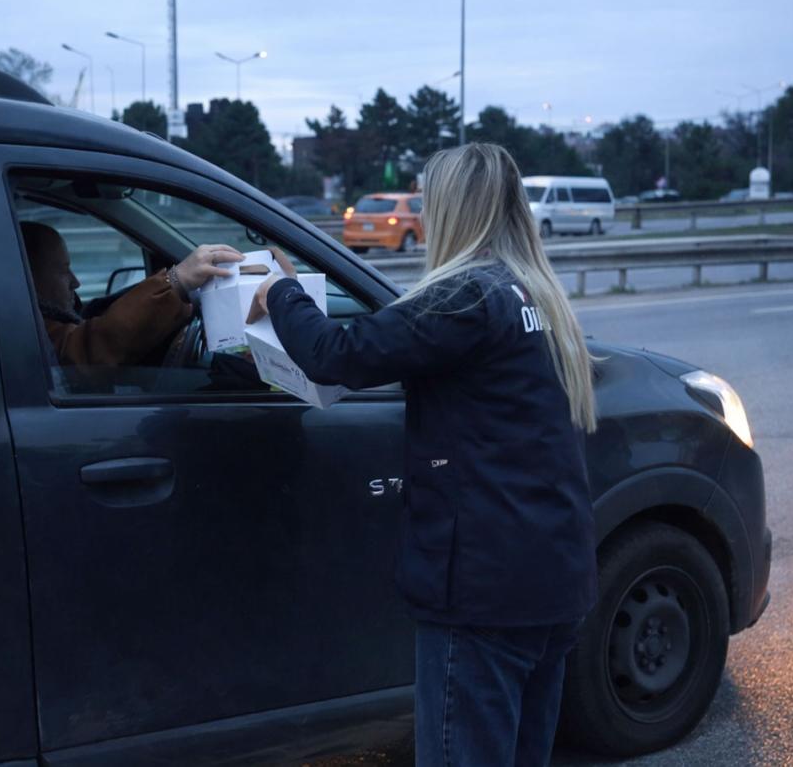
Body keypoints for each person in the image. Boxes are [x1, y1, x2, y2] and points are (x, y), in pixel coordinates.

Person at [248, 143, 598, 767]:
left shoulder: (465, 296)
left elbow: (337, 353)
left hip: (485, 595)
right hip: (553, 581)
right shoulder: (534, 296)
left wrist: (282, 291)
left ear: (452, 211)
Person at [20, 221, 242, 368]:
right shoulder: (22, 331)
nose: (76, 282)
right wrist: (175, 281)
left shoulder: (35, 321)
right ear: (26, 277)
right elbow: (88, 351)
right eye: (62, 270)